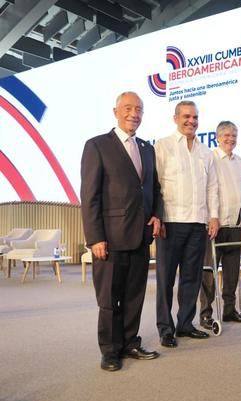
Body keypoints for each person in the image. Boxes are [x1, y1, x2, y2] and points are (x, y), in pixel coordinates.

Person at [81, 91, 162, 371]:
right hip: (110, 238)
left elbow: (153, 189)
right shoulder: (97, 146)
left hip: (140, 235)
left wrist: (157, 216)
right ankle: (110, 350)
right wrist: (95, 238)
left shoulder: (147, 148)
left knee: (134, 294)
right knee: (108, 298)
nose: (134, 113)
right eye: (128, 108)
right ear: (115, 111)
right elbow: (89, 196)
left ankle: (130, 342)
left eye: (139, 109)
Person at [154, 100, 219, 348]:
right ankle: (165, 328)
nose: (191, 121)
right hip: (170, 222)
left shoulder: (206, 152)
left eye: (195, 117)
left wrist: (213, 216)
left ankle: (185, 324)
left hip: (197, 223)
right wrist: (157, 216)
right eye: (186, 117)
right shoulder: (164, 146)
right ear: (175, 118)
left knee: (191, 277)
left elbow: (212, 187)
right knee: (166, 279)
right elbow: (155, 184)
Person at [199, 121, 241, 328]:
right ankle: (206, 314)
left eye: (234, 135)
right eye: (226, 136)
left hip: (235, 224)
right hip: (215, 225)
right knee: (209, 271)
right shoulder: (210, 158)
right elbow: (209, 191)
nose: (230, 139)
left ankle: (230, 310)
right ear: (217, 137)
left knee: (232, 270)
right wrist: (213, 217)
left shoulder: (238, 161)